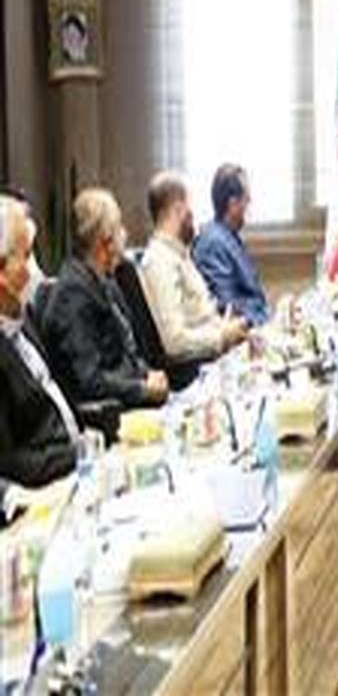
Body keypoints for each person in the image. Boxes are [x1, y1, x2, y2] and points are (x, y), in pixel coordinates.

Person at [42, 189, 169, 410]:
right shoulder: (72, 296)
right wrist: (141, 388)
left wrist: (147, 374)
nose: (125, 234)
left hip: (132, 398)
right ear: (105, 241)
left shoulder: (106, 282)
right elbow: (89, 380)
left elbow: (125, 353)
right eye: (120, 227)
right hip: (110, 414)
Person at [0, 196, 82, 525]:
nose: (36, 269)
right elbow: (10, 462)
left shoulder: (25, 318)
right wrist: (77, 454)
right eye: (27, 255)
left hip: (78, 468)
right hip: (45, 496)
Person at [141, 172, 248, 360]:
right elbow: (174, 341)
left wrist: (226, 327)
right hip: (197, 367)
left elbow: (200, 316)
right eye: (189, 209)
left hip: (213, 353)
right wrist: (222, 336)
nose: (193, 216)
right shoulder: (159, 261)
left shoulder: (179, 254)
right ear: (178, 210)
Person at [193, 164, 269, 325]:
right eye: (247, 199)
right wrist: (266, 319)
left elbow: (250, 296)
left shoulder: (228, 237)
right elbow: (228, 309)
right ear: (233, 204)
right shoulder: (212, 245)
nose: (249, 205)